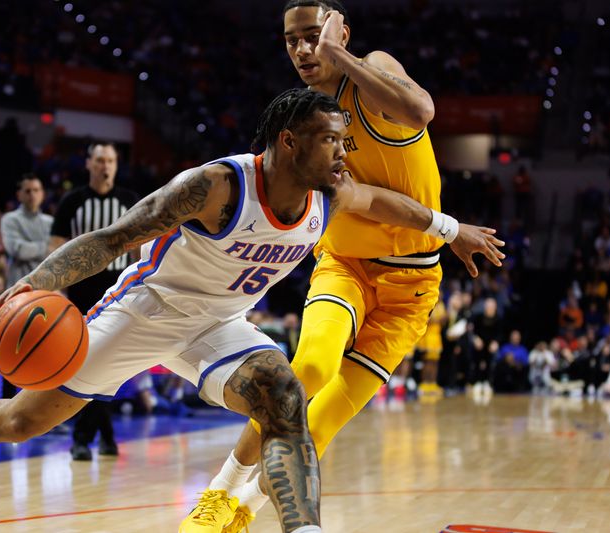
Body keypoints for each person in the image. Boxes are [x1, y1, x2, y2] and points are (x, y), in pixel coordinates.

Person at [0, 88, 502, 532]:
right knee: (18, 422)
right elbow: (113, 238)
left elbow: (393, 206)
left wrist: (452, 229)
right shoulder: (218, 185)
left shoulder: (329, 195)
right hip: (146, 311)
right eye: (333, 141)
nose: (344, 154)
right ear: (289, 141)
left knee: (285, 397)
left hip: (219, 326)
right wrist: (31, 285)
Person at [185, 3, 503, 530]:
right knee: (307, 369)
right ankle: (217, 496)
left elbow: (421, 111)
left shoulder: (373, 69)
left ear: (340, 32)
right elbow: (352, 197)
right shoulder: (298, 119)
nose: (303, 50)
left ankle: (243, 514)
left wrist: (340, 55)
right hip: (345, 265)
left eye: (314, 36)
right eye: (292, 41)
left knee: (323, 421)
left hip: (413, 285)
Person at [50, 143, 140, 460]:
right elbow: (55, 248)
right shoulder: (72, 201)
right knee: (88, 365)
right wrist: (58, 290)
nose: (105, 166)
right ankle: (91, 437)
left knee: (105, 365)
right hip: (79, 292)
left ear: (117, 165)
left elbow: (139, 253)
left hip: (118, 291)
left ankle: (96, 437)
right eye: (100, 160)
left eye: (111, 160)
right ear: (88, 163)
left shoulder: (129, 201)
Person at [0, 174, 53, 288]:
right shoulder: (10, 219)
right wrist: (46, 247)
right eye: (28, 191)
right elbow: (18, 251)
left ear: (42, 194)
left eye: (36, 190)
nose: (32, 194)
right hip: (19, 287)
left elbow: (57, 254)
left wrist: (29, 248)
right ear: (19, 195)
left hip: (47, 287)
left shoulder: (51, 222)